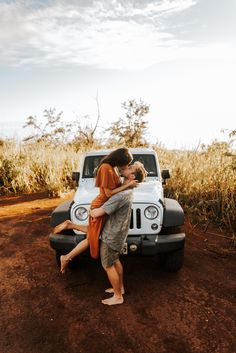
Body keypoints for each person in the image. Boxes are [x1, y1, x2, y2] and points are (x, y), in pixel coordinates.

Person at [53, 147, 136, 273]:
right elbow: (108, 194)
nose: (126, 165)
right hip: (100, 206)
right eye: (126, 163)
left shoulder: (113, 167)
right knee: (92, 237)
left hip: (106, 206)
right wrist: (127, 186)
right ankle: (66, 257)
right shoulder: (105, 168)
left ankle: (70, 226)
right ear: (120, 159)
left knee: (93, 233)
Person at [90, 161, 147, 306]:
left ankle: (117, 297)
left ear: (132, 175)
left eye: (128, 168)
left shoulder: (121, 196)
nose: (124, 168)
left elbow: (97, 213)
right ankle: (120, 288)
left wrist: (90, 211)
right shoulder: (127, 190)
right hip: (119, 233)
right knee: (115, 261)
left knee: (108, 265)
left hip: (111, 235)